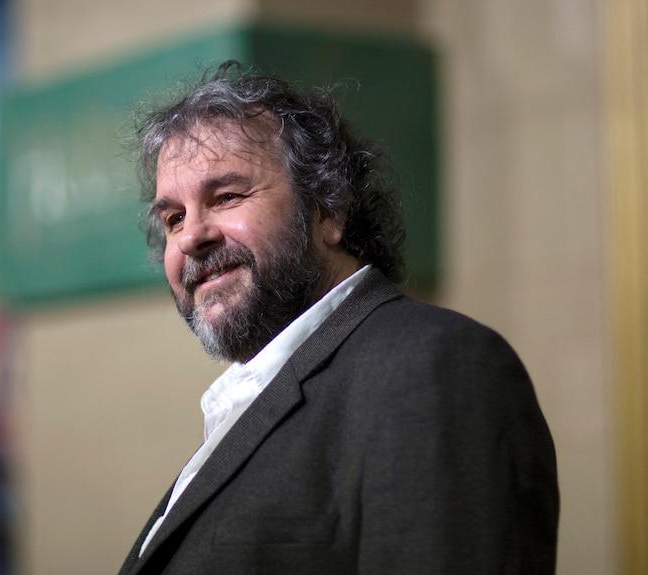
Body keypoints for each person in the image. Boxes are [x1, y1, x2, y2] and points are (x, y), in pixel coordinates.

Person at [119, 61, 559, 575]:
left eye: (227, 196)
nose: (191, 236)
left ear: (329, 211)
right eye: (173, 218)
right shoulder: (255, 390)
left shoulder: (435, 367)